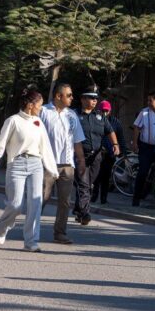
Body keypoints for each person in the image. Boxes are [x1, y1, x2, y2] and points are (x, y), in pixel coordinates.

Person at [0, 88, 59, 252]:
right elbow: (1, 143)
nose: (41, 108)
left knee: (35, 203)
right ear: (31, 105)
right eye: (39, 105)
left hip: (36, 164)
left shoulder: (38, 123)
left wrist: (53, 170)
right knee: (16, 204)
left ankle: (31, 241)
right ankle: (2, 226)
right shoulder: (13, 121)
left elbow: (45, 147)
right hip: (16, 164)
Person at [39, 82, 86, 245]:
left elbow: (77, 141)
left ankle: (60, 233)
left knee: (65, 202)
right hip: (46, 164)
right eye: (69, 95)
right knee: (41, 199)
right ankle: (32, 230)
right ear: (59, 96)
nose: (72, 98)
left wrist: (81, 161)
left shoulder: (72, 115)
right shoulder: (43, 111)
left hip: (67, 165)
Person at [74, 85, 119, 224]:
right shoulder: (74, 115)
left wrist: (115, 145)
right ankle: (85, 213)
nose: (94, 101)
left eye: (95, 99)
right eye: (91, 98)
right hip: (79, 155)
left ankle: (78, 210)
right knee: (84, 185)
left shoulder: (100, 116)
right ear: (82, 99)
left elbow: (110, 131)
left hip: (96, 157)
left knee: (88, 184)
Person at [92, 100, 126, 204]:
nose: (105, 113)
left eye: (106, 111)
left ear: (110, 110)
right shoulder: (95, 120)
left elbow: (120, 138)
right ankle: (93, 197)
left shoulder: (115, 122)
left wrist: (122, 151)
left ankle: (103, 199)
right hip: (96, 153)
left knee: (106, 177)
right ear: (99, 110)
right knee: (96, 176)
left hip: (109, 154)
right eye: (103, 111)